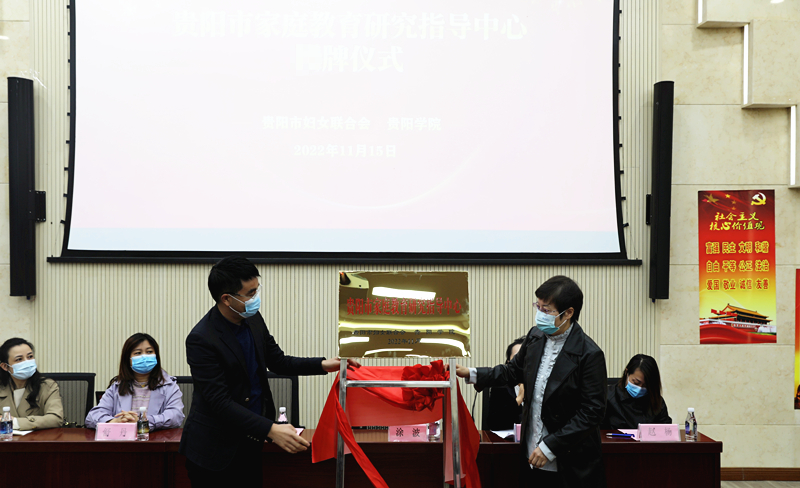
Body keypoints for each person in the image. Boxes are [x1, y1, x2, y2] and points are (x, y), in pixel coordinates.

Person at [179, 256, 359, 487]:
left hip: (251, 442)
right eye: (250, 293)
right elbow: (220, 403)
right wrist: (271, 429)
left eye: (257, 289)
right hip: (215, 452)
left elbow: (278, 361)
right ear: (227, 299)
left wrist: (323, 364)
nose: (256, 298)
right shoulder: (201, 339)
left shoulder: (252, 318)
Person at [454, 276, 607, 488]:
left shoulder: (589, 354)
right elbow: (511, 372)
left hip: (569, 462)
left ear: (568, 313)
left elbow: (592, 412)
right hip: (531, 453)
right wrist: (472, 373)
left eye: (547, 310)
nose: (540, 314)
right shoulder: (536, 336)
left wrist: (550, 446)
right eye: (538, 307)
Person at [85, 333, 184, 430]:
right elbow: (92, 417)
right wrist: (115, 421)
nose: (144, 357)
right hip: (123, 438)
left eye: (149, 352)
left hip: (157, 439)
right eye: (138, 353)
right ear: (128, 359)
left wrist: (143, 422)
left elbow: (176, 416)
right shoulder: (117, 386)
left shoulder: (169, 386)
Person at [0, 338, 64, 430]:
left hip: (38, 438)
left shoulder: (48, 386)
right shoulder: (2, 387)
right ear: (5, 366)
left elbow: (56, 419)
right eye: (19, 359)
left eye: (30, 357)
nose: (27, 362)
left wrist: (15, 422)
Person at [602, 354, 671, 430]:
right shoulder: (607, 397)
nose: (640, 388)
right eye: (636, 383)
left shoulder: (656, 401)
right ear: (627, 373)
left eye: (645, 385)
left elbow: (666, 430)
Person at [484, 336, 525, 431]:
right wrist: (518, 400)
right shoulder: (501, 387)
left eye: (526, 357)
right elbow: (494, 423)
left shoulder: (544, 384)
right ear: (509, 362)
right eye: (517, 358)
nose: (522, 362)